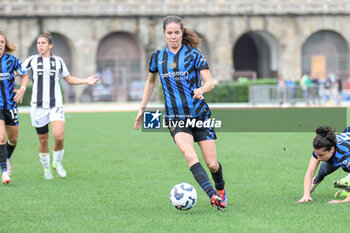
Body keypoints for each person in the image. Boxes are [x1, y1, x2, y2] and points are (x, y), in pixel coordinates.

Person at [134, 16, 227, 210]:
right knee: (190, 155)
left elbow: (210, 81)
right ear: (164, 34)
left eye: (177, 32)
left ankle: (220, 189)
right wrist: (142, 109)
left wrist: (202, 90)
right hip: (175, 117)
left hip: (200, 115)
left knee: (212, 164)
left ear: (182, 33)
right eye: (170, 33)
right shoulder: (158, 58)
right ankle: (213, 196)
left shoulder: (193, 55)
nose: (173, 36)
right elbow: (150, 82)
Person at [23, 32, 99, 180]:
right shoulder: (31, 60)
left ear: (50, 45)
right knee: (43, 140)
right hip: (37, 106)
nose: (40, 46)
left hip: (55, 104)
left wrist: (86, 81)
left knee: (59, 136)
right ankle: (46, 169)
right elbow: (17, 72)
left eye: (43, 43)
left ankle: (57, 163)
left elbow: (69, 79)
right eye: (38, 43)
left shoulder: (58, 61)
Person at [0, 31, 29, 184]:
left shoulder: (12, 61)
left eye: (1, 42)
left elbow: (24, 75)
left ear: (5, 44)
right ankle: (4, 172)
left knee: (13, 139)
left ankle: (8, 157)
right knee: (1, 138)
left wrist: (23, 89)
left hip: (10, 106)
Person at [298, 126, 350, 204]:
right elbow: (310, 172)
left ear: (332, 149)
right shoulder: (322, 146)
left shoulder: (345, 155)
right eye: (317, 154)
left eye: (321, 155)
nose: (318, 158)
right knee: (324, 169)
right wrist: (306, 195)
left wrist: (344, 201)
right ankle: (317, 179)